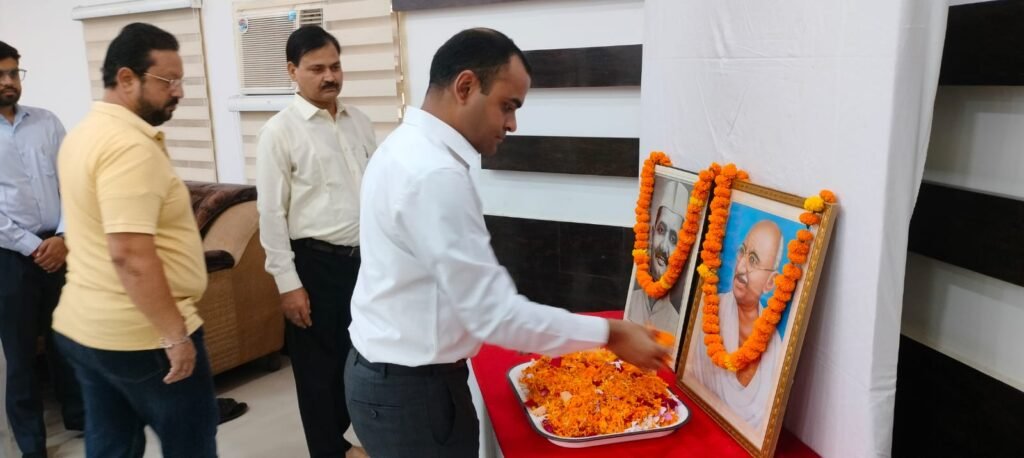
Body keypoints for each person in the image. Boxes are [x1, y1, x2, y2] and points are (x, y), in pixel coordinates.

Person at [345, 28, 669, 458]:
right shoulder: (433, 173)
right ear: (465, 87)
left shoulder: (405, 146)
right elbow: (495, 316)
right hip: (412, 392)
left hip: (390, 376)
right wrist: (611, 333)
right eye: (508, 105)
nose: (512, 124)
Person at [52, 23, 217, 457]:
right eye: (168, 81)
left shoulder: (83, 133)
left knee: (112, 446)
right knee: (191, 447)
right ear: (127, 78)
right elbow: (129, 254)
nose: (179, 92)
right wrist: (174, 337)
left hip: (85, 328)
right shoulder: (129, 147)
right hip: (142, 337)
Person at [256, 25, 375, 458]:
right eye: (317, 68)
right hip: (315, 266)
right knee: (319, 373)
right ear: (292, 71)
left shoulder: (359, 121)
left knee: (364, 360)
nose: (330, 76)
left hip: (366, 264)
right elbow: (271, 214)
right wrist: (288, 284)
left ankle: (360, 443)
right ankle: (329, 451)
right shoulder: (279, 132)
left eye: (335, 66)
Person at [0, 40, 85, 458]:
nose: (9, 81)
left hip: (59, 246)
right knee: (19, 356)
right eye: (1, 74)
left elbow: (72, 181)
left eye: (14, 72)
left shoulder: (47, 122)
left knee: (67, 339)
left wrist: (64, 237)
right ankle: (32, 445)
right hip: (10, 257)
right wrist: (34, 247)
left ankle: (81, 417)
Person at [685, 219, 785, 430]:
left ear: (770, 283)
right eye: (742, 252)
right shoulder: (710, 311)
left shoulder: (777, 347)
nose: (740, 267)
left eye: (753, 260)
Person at [626, 179, 690, 334]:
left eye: (673, 239)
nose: (663, 247)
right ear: (653, 233)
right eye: (661, 230)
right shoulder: (631, 302)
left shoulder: (676, 323)